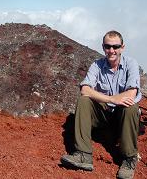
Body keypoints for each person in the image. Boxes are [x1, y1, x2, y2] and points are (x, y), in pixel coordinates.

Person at [60, 30, 141, 179]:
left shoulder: (131, 64)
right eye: (107, 46)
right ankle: (83, 155)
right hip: (103, 114)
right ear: (103, 47)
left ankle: (129, 158)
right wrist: (112, 99)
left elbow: (131, 94)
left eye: (115, 46)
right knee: (84, 100)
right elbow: (85, 89)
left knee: (130, 106)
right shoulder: (97, 65)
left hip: (122, 117)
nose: (111, 50)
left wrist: (115, 100)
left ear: (122, 47)